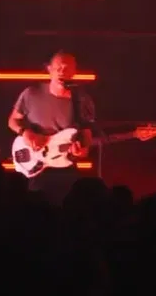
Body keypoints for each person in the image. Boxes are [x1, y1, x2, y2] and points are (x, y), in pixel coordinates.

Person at [6, 51, 96, 204]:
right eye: (58, 68)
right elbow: (13, 120)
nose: (62, 72)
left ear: (74, 72)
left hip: (65, 168)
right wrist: (25, 133)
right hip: (35, 166)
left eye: (67, 68)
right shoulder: (31, 94)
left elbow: (86, 137)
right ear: (49, 69)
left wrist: (81, 152)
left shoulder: (82, 100)